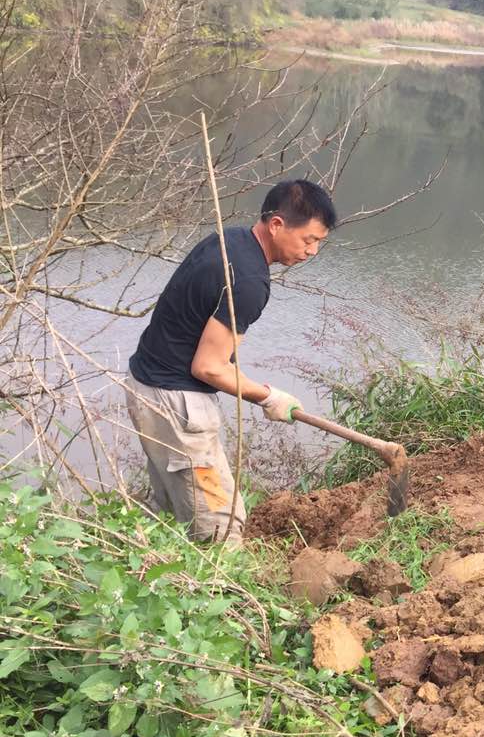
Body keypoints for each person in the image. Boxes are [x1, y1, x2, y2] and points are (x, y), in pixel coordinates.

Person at [125, 179, 337, 545]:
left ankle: (166, 583)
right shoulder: (250, 281)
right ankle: (222, 595)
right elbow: (208, 366)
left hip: (147, 388)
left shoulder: (230, 241)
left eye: (319, 242)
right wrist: (269, 396)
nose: (313, 252)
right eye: (309, 240)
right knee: (221, 523)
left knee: (172, 513)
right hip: (177, 406)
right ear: (277, 225)